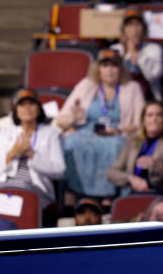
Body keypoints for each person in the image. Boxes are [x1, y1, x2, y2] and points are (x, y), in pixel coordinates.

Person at [55, 49, 145, 204]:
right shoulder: (86, 85)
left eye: (114, 66)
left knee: (116, 146)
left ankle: (107, 198)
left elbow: (139, 123)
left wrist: (117, 130)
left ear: (121, 69)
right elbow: (61, 119)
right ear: (98, 69)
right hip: (87, 130)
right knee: (71, 143)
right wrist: (74, 117)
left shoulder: (132, 88)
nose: (109, 70)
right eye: (105, 66)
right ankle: (75, 193)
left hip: (117, 133)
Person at [0, 88, 65, 211]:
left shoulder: (50, 133)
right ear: (16, 110)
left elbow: (60, 170)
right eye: (22, 105)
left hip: (35, 188)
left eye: (31, 104)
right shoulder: (6, 132)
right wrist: (12, 153)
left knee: (22, 208)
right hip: (4, 185)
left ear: (39, 108)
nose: (27, 108)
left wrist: (31, 154)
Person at [108, 101, 163, 195]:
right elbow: (112, 172)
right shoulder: (133, 140)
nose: (154, 119)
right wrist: (131, 178)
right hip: (133, 192)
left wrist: (159, 167)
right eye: (150, 115)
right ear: (143, 120)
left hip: (159, 193)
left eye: (159, 115)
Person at [111, 10, 163, 101]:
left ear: (144, 29)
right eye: (130, 25)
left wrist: (137, 52)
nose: (134, 29)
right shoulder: (115, 49)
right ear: (124, 29)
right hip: (119, 97)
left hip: (147, 98)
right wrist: (126, 52)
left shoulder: (154, 49)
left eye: (137, 24)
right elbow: (110, 78)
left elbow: (153, 76)